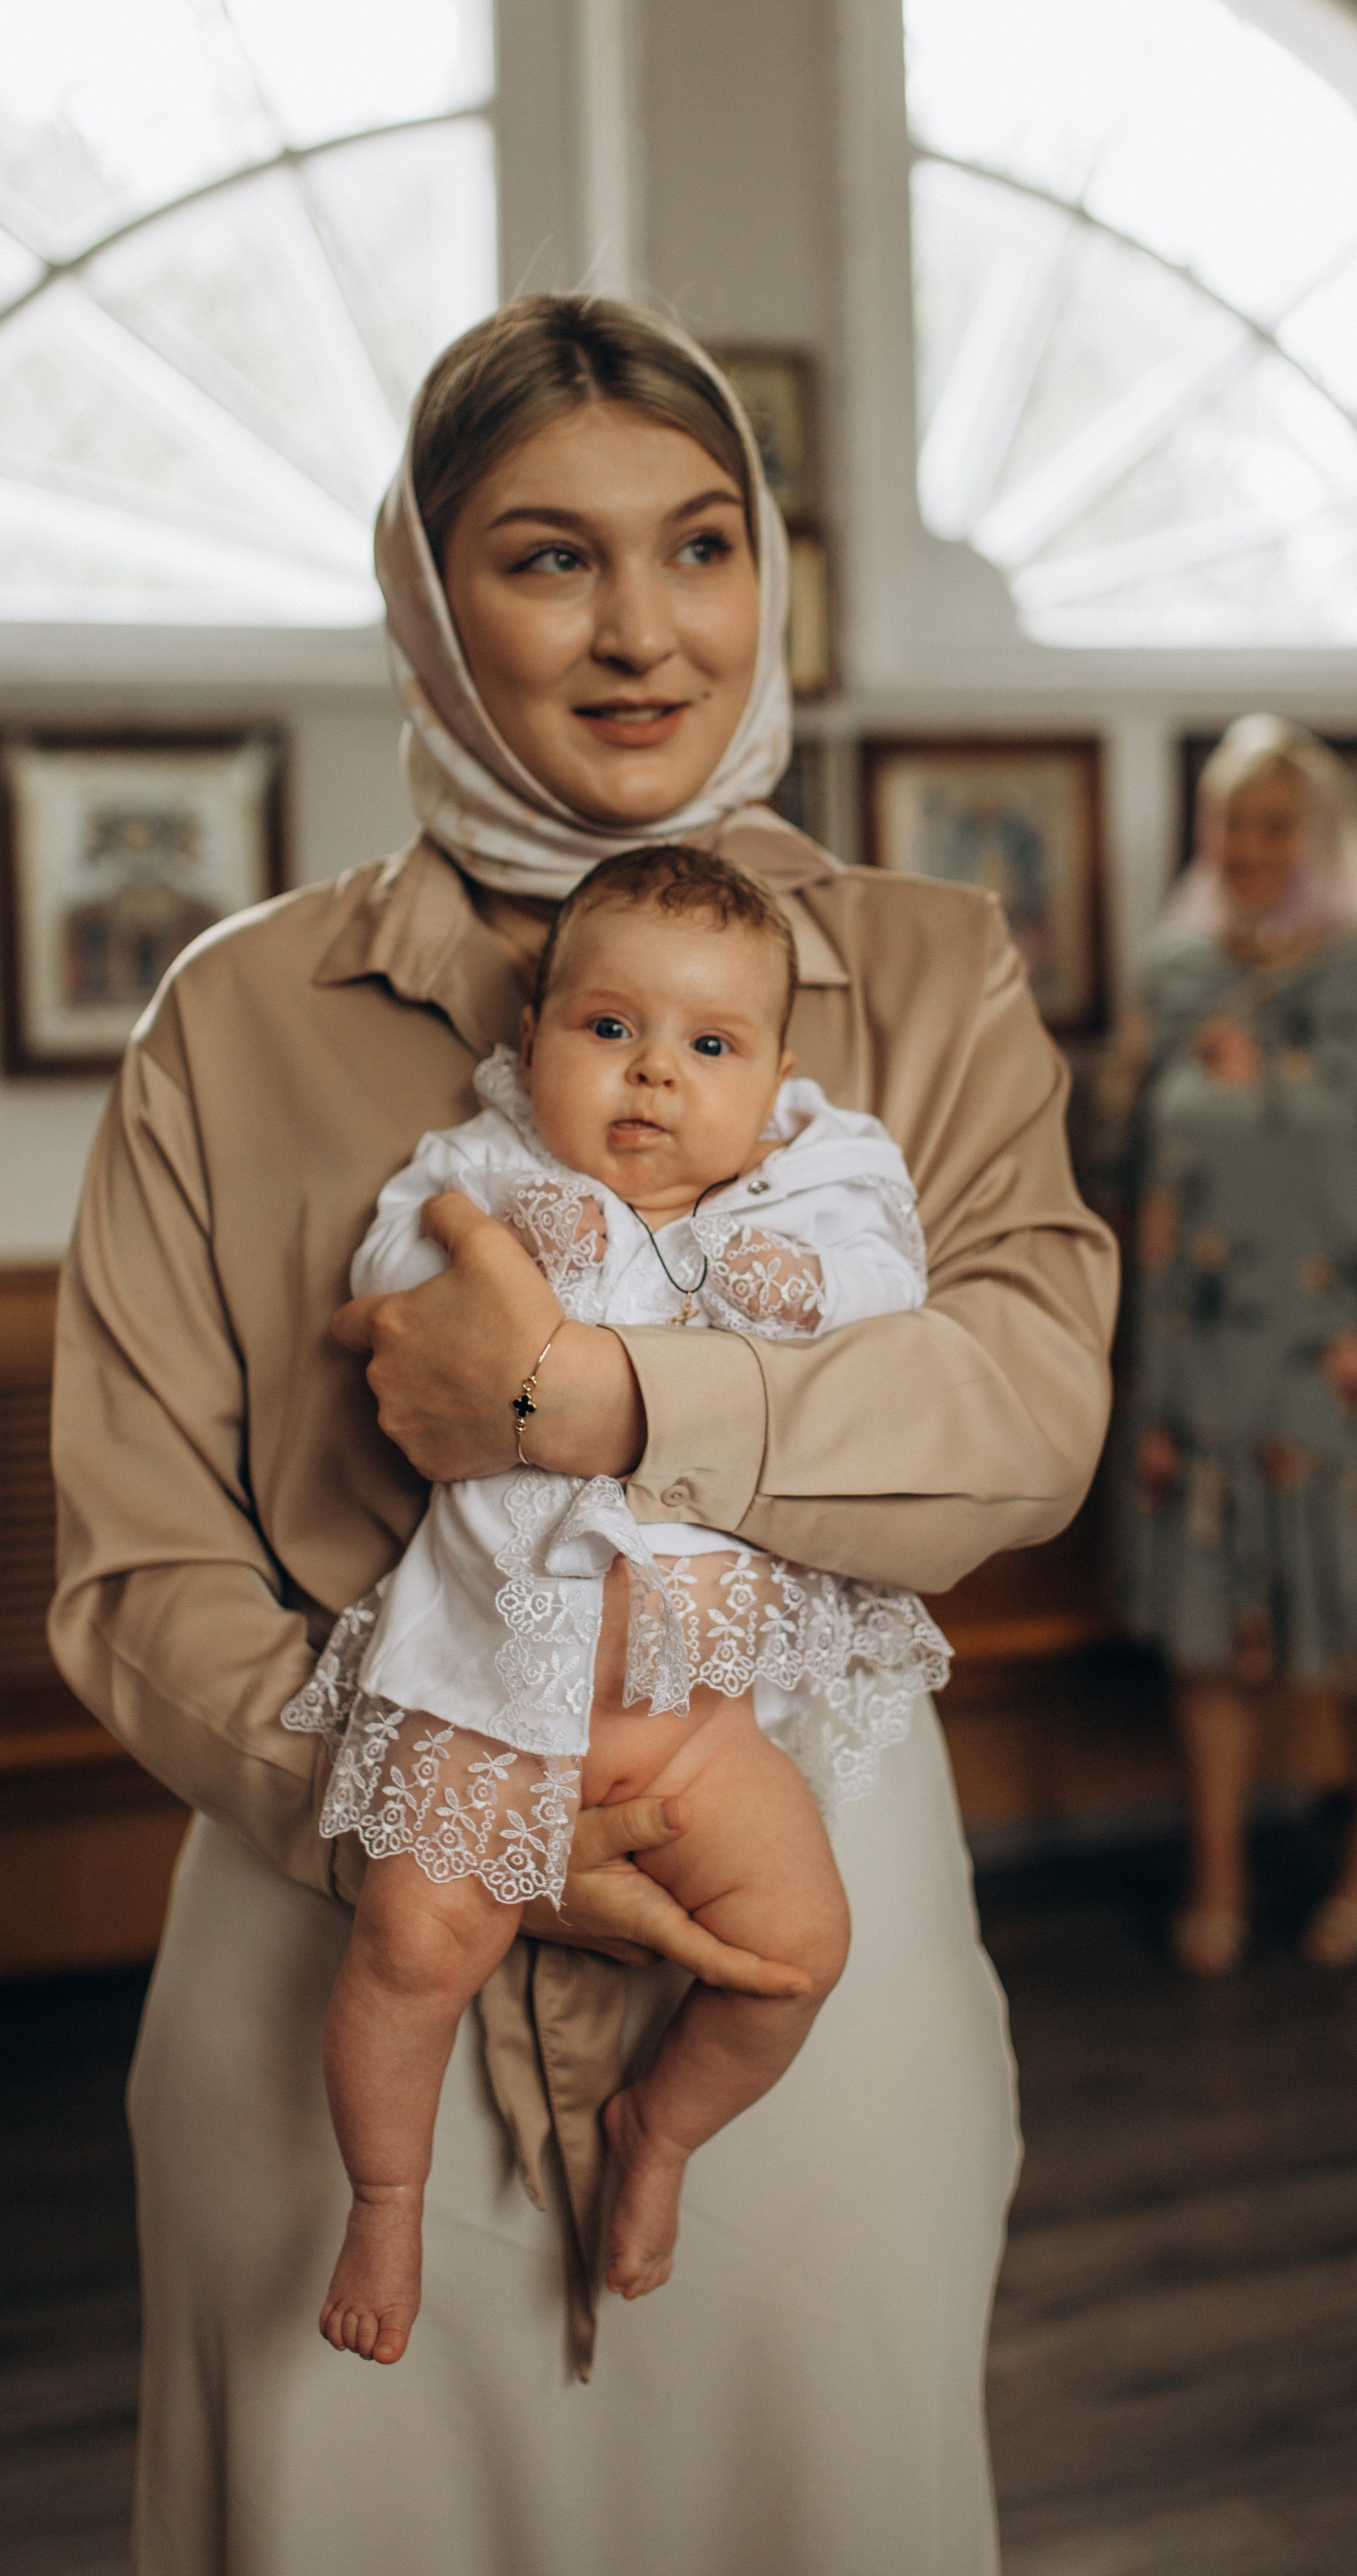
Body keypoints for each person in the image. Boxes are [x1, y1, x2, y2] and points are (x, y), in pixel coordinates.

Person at [49, 293, 1116, 2576]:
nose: (647, 630)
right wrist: (440, 1819)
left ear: (770, 575)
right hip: (346, 1955)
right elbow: (135, 1571)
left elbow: (1025, 1420)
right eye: (550, 559)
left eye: (703, 545)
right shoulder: (232, 1018)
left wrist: (600, 1406)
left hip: (794, 1959)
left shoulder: (932, 973)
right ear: (431, 602)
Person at [289, 843, 948, 2351]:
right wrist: (505, 1249)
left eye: (710, 1047)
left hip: (696, 1727)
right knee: (407, 1951)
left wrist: (803, 1285)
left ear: (776, 1081)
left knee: (794, 1953)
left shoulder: (811, 1178)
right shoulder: (487, 1167)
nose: (654, 1074)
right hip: (488, 1700)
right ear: (532, 1041)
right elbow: (383, 1276)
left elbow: (889, 1282)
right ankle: (385, 2202)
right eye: (609, 1029)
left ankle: (663, 2129)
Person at [1098, 716, 1357, 1979]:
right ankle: (1216, 1868)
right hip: (1196, 1358)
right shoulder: (1169, 973)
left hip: (1350, 1355)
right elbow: (1122, 1168)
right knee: (1209, 1625)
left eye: (1277, 825)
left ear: (1321, 837)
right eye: (1232, 822)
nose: (1251, 847)